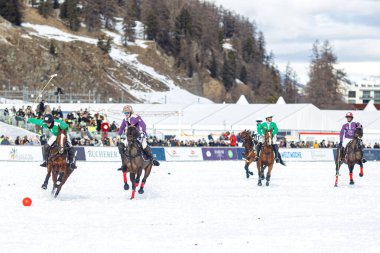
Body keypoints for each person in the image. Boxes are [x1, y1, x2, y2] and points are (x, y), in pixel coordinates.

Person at [117, 105, 160, 171]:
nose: (126, 114)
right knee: (120, 146)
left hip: (138, 135)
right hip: (129, 137)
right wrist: (118, 135)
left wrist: (143, 131)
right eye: (125, 113)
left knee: (144, 145)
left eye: (127, 113)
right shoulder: (124, 119)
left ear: (130, 112)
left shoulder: (136, 117)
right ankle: (124, 164)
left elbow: (143, 125)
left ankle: (152, 160)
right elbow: (122, 127)